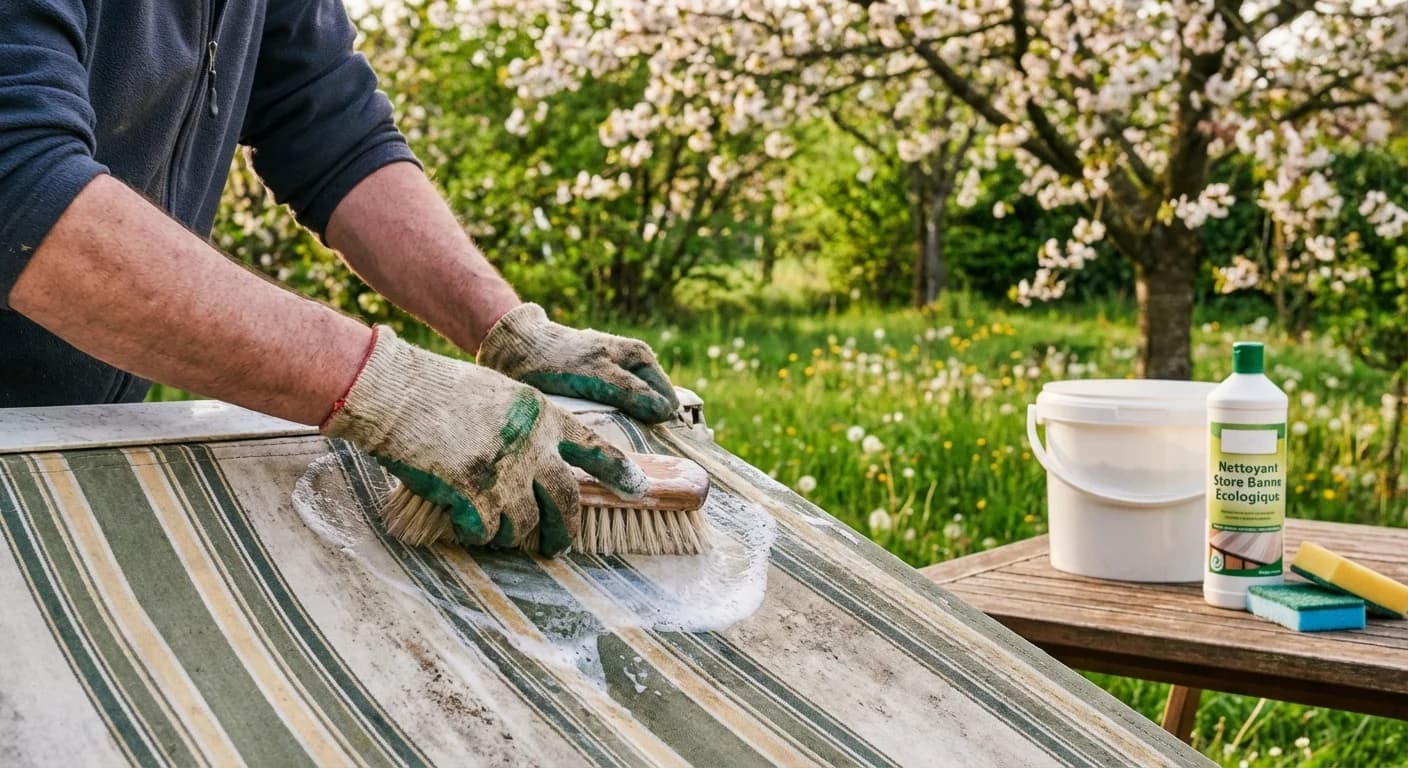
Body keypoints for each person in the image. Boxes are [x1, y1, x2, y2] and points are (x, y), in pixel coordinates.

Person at [0, 0, 679, 555]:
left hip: (66, 435)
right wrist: (391, 390)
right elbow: (19, 180)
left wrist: (507, 328)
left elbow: (327, 124)